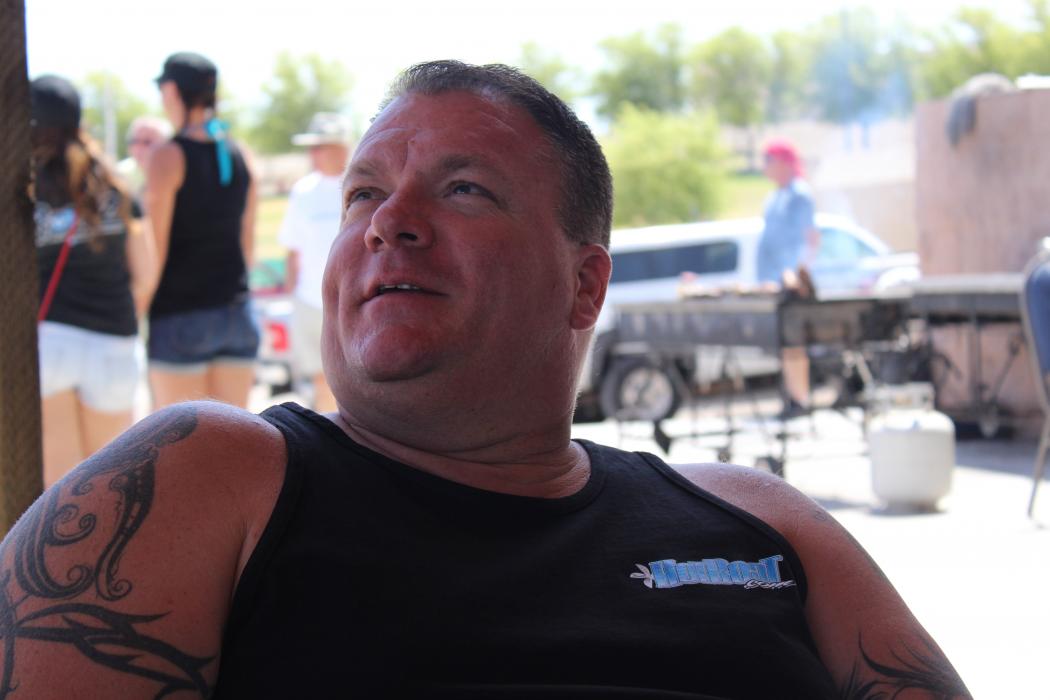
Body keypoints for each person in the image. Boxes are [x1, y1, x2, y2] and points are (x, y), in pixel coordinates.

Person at [0, 61, 970, 698]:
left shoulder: (758, 519)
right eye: (364, 193)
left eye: (463, 189)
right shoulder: (209, 477)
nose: (388, 222)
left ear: (585, 285)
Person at [30, 75, 157, 487]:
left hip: (48, 343)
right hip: (113, 343)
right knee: (111, 487)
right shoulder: (115, 187)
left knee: (60, 490)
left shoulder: (21, 190)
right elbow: (146, 273)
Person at [144, 51, 259, 410]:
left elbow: (153, 249)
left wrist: (138, 310)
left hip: (179, 316)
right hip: (237, 314)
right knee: (234, 438)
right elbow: (248, 242)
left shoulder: (167, 156)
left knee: (181, 442)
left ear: (172, 91)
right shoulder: (242, 154)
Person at [278, 112, 353, 412]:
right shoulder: (303, 191)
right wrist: (291, 295)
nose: (314, 153)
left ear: (341, 148)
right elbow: (293, 249)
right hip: (310, 301)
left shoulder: (363, 185)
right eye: (312, 147)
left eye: (320, 146)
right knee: (322, 380)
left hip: (352, 300)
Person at [756, 139, 821, 417]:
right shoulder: (774, 198)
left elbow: (810, 237)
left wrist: (796, 272)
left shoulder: (799, 195)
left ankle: (800, 400)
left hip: (793, 283)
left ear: (783, 163)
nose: (765, 167)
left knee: (795, 345)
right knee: (784, 346)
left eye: (769, 161)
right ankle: (791, 398)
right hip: (775, 281)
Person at [116, 115, 172, 199]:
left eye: (147, 142)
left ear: (166, 145)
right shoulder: (119, 173)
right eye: (134, 141)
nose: (139, 148)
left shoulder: (176, 173)